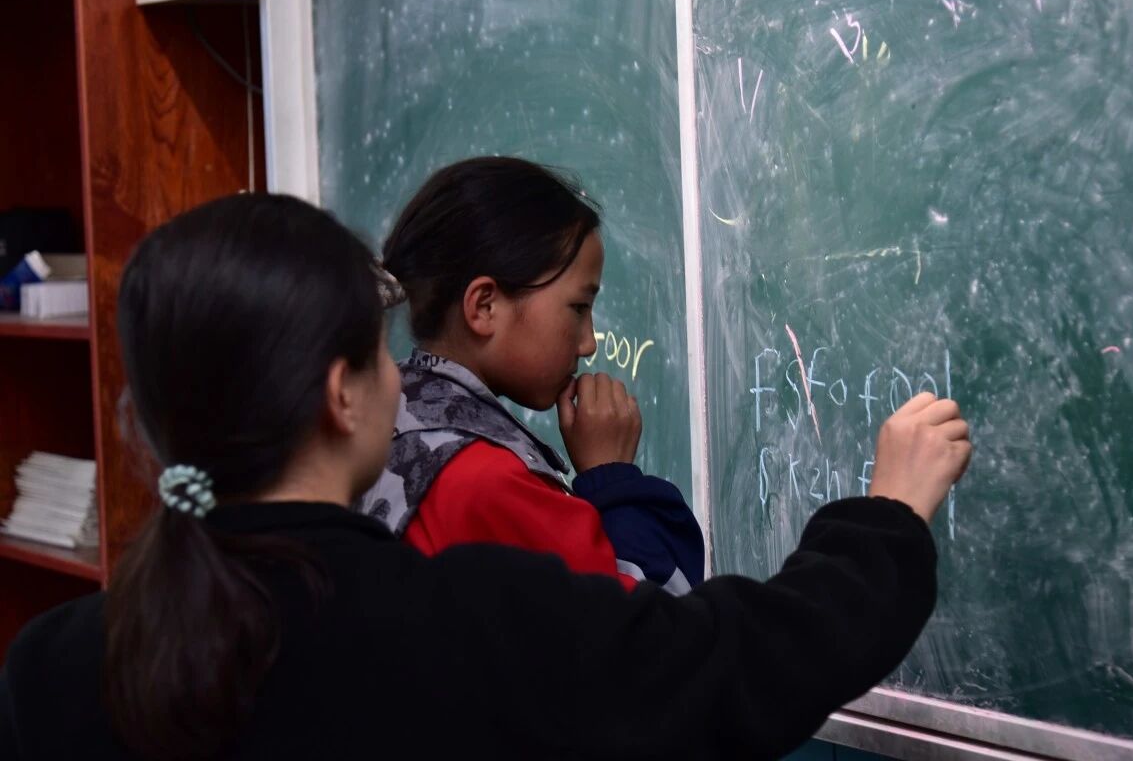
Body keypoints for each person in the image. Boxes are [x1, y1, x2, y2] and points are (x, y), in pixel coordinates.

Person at [0, 192, 971, 760]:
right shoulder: (465, 622)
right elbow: (741, 662)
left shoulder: (55, 666)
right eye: (380, 355)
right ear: (341, 394)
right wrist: (887, 514)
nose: (401, 379)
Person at [361, 157, 703, 592]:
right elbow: (655, 623)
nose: (589, 343)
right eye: (578, 308)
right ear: (485, 306)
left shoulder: (377, 426)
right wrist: (613, 477)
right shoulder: (487, 483)